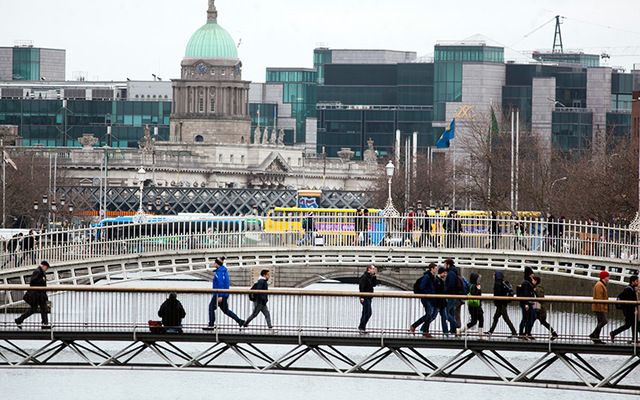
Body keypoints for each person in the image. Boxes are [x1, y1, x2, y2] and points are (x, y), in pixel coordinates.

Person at [206, 257, 244, 329]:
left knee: (211, 308)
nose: (214, 264)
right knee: (226, 310)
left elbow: (220, 283)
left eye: (215, 263)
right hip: (224, 294)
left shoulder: (219, 272)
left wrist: (220, 295)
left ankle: (211, 324)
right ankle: (240, 321)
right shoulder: (223, 271)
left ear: (217, 264)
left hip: (219, 293)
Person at [15, 260, 51, 329]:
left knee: (41, 309)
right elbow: (33, 281)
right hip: (37, 294)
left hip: (39, 294)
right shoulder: (38, 271)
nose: (47, 269)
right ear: (43, 266)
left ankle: (19, 320)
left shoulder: (40, 271)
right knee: (40, 309)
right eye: (46, 267)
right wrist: (42, 280)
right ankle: (44, 324)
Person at [409, 263, 438, 337]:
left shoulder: (432, 277)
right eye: (435, 268)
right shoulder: (427, 277)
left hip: (430, 298)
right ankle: (423, 330)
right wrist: (428, 293)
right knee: (429, 314)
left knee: (429, 314)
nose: (436, 270)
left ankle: (416, 327)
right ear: (432, 269)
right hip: (426, 298)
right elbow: (422, 287)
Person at [486, 271, 517, 337]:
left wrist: (496, 302)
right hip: (502, 303)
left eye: (494, 275)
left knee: (505, 318)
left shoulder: (497, 284)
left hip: (501, 304)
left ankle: (514, 332)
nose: (493, 276)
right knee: (496, 317)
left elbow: (498, 294)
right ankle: (490, 331)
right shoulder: (502, 283)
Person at [610, 275, 639, 343]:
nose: (638, 283)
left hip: (630, 311)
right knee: (630, 325)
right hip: (629, 311)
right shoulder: (629, 290)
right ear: (633, 282)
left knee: (633, 324)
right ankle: (614, 333)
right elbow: (631, 301)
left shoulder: (631, 289)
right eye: (637, 281)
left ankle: (634, 339)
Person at [531, 275, 558, 340]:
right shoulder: (537, 287)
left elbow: (540, 298)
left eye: (533, 280)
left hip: (539, 307)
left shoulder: (538, 288)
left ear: (536, 281)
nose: (532, 281)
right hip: (537, 306)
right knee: (535, 320)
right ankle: (554, 333)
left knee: (534, 320)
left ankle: (527, 334)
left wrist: (534, 291)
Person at [589, 271, 610, 344]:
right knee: (604, 321)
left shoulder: (601, 284)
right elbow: (599, 297)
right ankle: (593, 335)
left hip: (599, 306)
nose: (609, 278)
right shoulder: (599, 285)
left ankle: (596, 337)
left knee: (600, 322)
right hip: (599, 307)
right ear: (604, 277)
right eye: (608, 276)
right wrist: (602, 307)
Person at [462, 272, 484, 337]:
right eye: (478, 278)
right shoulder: (473, 286)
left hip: (475, 306)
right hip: (475, 306)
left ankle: (461, 330)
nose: (479, 280)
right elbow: (475, 295)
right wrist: (479, 290)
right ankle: (461, 330)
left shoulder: (473, 285)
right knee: (476, 321)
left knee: (478, 320)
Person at [517, 267, 536, 340]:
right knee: (525, 318)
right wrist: (526, 304)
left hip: (529, 303)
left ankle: (526, 333)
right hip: (526, 303)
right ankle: (522, 333)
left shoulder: (528, 282)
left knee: (529, 318)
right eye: (531, 274)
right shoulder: (525, 283)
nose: (533, 275)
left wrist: (533, 285)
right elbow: (525, 294)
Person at [443, 258, 461, 334]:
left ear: (448, 265)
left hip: (450, 296)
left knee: (446, 313)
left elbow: (451, 285)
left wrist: (445, 291)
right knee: (451, 313)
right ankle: (453, 330)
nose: (444, 266)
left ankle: (456, 326)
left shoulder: (451, 273)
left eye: (445, 264)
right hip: (453, 295)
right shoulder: (453, 272)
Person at [357, 265, 377, 334]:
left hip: (369, 297)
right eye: (373, 269)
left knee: (365, 313)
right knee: (368, 313)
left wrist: (374, 276)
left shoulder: (370, 276)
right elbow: (361, 287)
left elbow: (374, 285)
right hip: (365, 297)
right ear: (369, 269)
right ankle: (361, 327)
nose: (374, 270)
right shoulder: (364, 277)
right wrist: (361, 297)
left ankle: (362, 328)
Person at [433, 266, 450, 335]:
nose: (445, 275)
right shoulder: (437, 280)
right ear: (441, 273)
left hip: (442, 303)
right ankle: (423, 329)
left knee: (444, 317)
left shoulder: (440, 280)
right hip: (438, 302)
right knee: (433, 316)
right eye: (444, 273)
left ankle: (445, 332)